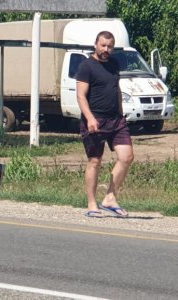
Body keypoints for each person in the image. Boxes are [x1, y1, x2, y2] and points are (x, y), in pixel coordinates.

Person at [76, 31, 134, 218]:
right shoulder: (87, 66)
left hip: (116, 120)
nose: (106, 49)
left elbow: (116, 89)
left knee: (127, 157)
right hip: (95, 120)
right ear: (96, 44)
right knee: (95, 160)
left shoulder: (114, 64)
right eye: (103, 45)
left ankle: (110, 197)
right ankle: (92, 204)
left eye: (109, 46)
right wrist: (90, 118)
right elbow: (80, 95)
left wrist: (121, 112)